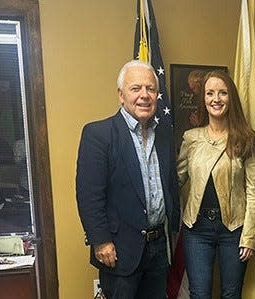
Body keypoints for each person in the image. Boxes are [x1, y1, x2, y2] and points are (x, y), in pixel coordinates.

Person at [76, 60, 180, 299]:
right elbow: (89, 196)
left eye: (151, 89)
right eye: (136, 89)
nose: (145, 95)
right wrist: (100, 241)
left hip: (157, 248)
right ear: (121, 95)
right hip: (119, 251)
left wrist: (173, 231)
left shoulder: (164, 134)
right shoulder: (98, 135)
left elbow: (171, 185)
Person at [176, 70, 255, 298]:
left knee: (231, 294)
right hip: (197, 229)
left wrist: (250, 235)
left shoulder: (246, 138)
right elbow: (175, 180)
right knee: (200, 294)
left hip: (233, 229)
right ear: (203, 99)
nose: (216, 99)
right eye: (210, 93)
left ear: (230, 97)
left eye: (222, 93)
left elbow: (253, 190)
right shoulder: (191, 138)